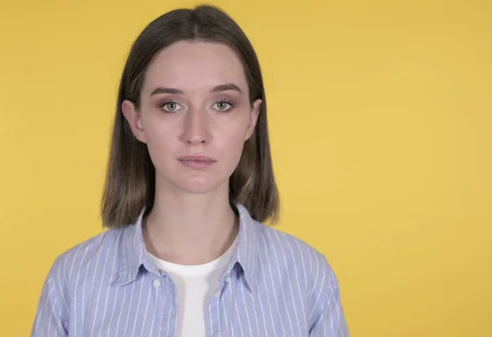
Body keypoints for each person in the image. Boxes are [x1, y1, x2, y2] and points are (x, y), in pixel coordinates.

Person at [31, 5, 349, 337]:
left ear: (251, 119)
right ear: (136, 119)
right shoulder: (72, 281)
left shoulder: (308, 279)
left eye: (222, 104)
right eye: (171, 105)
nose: (196, 133)